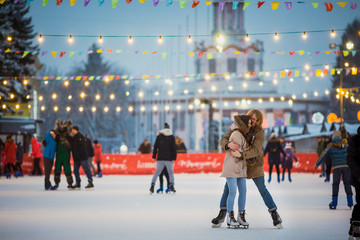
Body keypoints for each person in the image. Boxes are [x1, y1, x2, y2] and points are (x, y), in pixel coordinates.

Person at [211, 109, 283, 229]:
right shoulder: (238, 127)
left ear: (259, 121)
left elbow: (256, 150)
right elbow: (223, 139)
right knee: (228, 189)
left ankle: (274, 213)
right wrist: (228, 144)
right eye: (252, 119)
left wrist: (241, 155)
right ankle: (223, 214)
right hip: (239, 164)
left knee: (262, 189)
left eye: (256, 120)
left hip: (254, 164)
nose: (253, 122)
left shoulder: (259, 132)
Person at [220, 114, 251, 228]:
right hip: (232, 167)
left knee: (243, 191)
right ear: (243, 124)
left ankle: (241, 215)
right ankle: (230, 216)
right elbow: (237, 149)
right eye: (248, 123)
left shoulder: (243, 134)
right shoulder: (237, 134)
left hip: (241, 167)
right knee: (233, 191)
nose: (250, 125)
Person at [315, 130, 353, 210]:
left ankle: (334, 203)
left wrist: (317, 164)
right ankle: (350, 201)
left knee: (336, 184)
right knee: (347, 183)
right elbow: (352, 154)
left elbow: (323, 155)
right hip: (346, 166)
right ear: (340, 137)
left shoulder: (330, 146)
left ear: (333, 137)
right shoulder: (346, 145)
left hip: (336, 167)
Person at [149, 123, 177, 194]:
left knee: (157, 173)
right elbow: (174, 148)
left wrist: (154, 156)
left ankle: (152, 186)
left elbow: (155, 147)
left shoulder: (159, 137)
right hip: (169, 158)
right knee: (170, 173)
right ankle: (171, 186)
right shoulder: (171, 137)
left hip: (160, 158)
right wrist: (174, 158)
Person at [346, 126, 360, 239]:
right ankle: (355, 225)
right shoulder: (355, 140)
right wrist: (359, 174)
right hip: (359, 178)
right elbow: (351, 159)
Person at [53, 120, 75, 190]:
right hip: (60, 154)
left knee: (67, 168)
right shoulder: (58, 136)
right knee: (57, 168)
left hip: (65, 154)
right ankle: (57, 183)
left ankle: (70, 183)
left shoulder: (68, 136)